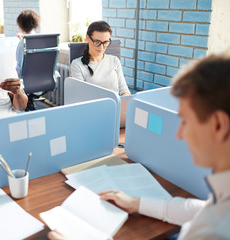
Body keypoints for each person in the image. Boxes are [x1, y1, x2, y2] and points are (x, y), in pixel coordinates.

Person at [48, 53, 230, 240]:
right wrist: (137, 203)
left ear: (218, 125)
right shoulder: (221, 202)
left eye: (185, 121)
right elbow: (204, 209)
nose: (179, 134)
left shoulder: (216, 231)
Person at [70, 21, 130, 96]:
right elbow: (81, 96)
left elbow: (124, 90)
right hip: (93, 107)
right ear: (87, 38)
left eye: (105, 42)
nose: (101, 47)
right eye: (97, 42)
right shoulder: (77, 65)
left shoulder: (114, 60)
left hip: (116, 106)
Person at [15, 9, 40, 77]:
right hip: (43, 81)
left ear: (20, 25)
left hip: (26, 83)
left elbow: (19, 67)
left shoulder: (22, 44)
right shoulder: (41, 40)